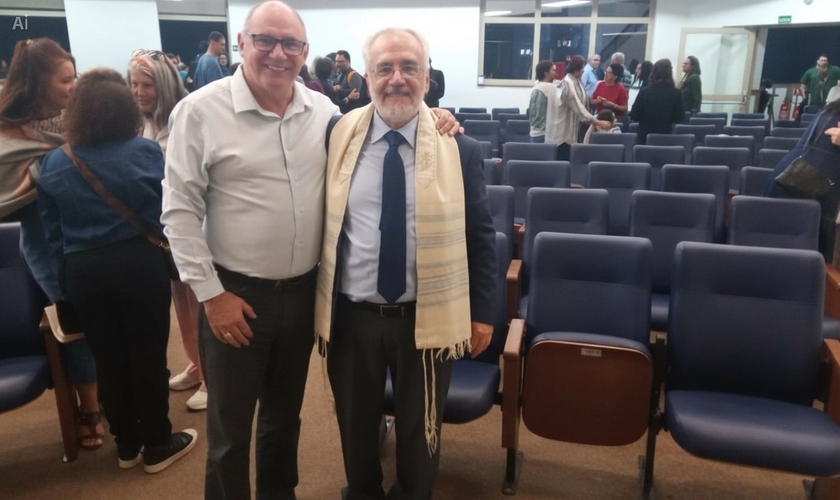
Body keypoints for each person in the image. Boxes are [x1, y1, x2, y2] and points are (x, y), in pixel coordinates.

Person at [162, 3, 460, 498]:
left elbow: (394, 121)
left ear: (305, 52)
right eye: (265, 40)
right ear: (241, 43)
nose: (278, 54)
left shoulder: (324, 114)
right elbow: (178, 214)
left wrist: (437, 116)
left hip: (304, 297)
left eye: (291, 44)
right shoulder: (199, 111)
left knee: (283, 420)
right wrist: (211, 296)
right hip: (233, 297)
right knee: (229, 432)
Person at [315, 26, 497, 500]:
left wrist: (482, 313)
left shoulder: (459, 149)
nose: (397, 79)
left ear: (427, 78)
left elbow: (480, 236)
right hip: (352, 315)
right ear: (367, 78)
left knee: (421, 430)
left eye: (409, 68)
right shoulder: (337, 136)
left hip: (428, 314)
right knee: (355, 425)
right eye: (385, 69)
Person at [37, 68, 197, 473]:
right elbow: (164, 213)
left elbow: (51, 237)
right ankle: (157, 443)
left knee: (107, 357)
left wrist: (60, 289)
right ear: (125, 109)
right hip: (139, 264)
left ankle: (126, 444)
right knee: (148, 355)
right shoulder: (144, 152)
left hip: (82, 270)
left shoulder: (55, 162)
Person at [0, 37, 104, 452]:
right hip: (45, 248)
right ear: (38, 83)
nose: (72, 87)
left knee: (86, 319)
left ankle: (97, 395)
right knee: (72, 322)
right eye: (65, 80)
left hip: (75, 239)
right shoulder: (6, 140)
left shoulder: (47, 127)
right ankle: (89, 410)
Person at [127, 49, 208, 412]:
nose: (138, 92)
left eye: (147, 85)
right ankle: (196, 363)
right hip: (160, 231)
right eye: (134, 84)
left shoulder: (185, 118)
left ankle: (211, 377)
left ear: (164, 85)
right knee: (181, 302)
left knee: (201, 302)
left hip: (193, 225)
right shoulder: (142, 124)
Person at [766, 98, 840, 262]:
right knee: (793, 261)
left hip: (795, 182)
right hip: (798, 189)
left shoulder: (831, 109)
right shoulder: (833, 113)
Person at [545, 55, 611, 160]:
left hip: (574, 131)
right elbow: (578, 107)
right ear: (575, 69)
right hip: (563, 134)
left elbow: (583, 100)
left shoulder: (577, 81)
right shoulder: (567, 83)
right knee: (564, 161)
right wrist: (598, 122)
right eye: (582, 68)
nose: (583, 70)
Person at [630, 58, 685, 145]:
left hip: (644, 136)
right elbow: (679, 117)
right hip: (665, 135)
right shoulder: (676, 93)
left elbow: (634, 115)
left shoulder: (645, 91)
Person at [528, 59, 556, 143]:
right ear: (546, 73)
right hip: (541, 135)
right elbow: (537, 117)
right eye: (553, 70)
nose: (555, 73)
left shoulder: (541, 87)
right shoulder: (541, 89)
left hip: (541, 134)